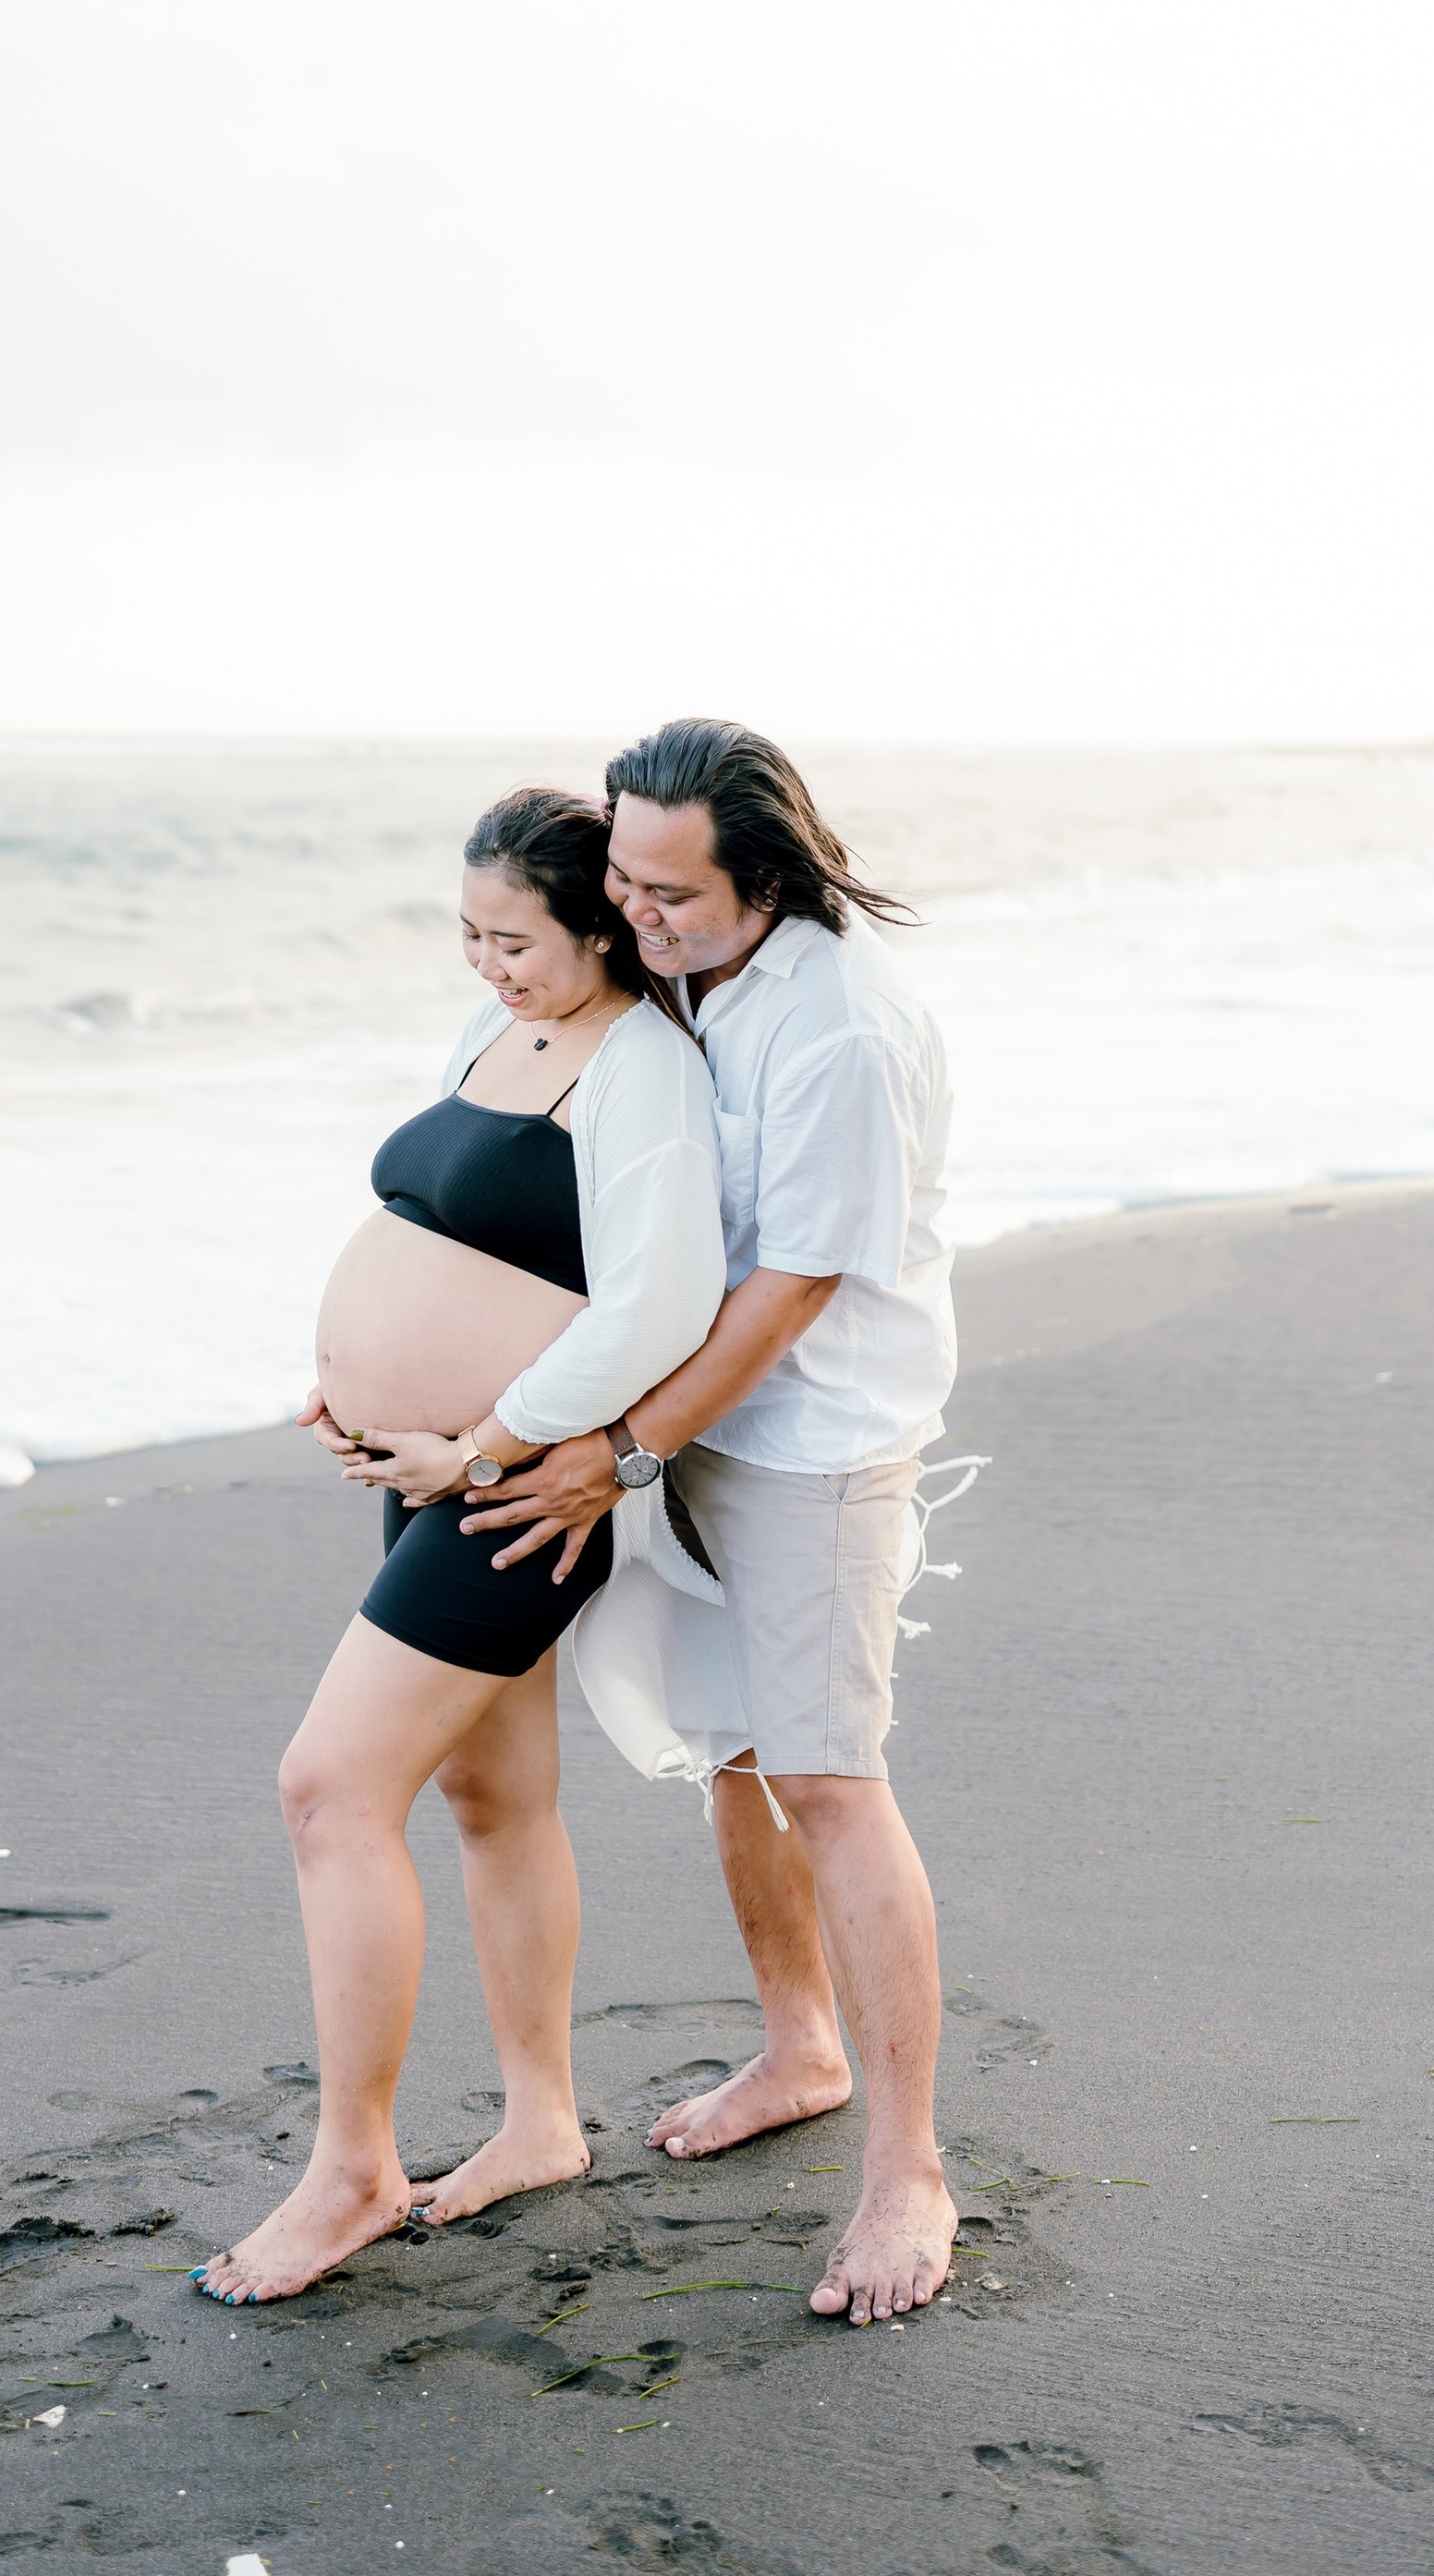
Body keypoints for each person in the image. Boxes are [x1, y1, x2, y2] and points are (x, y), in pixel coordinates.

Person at [195, 785, 725, 2307]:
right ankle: (544, 2120)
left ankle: (353, 2166)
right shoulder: (500, 1036)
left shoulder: (644, 1072)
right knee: (497, 1796)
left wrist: (477, 1439)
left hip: (516, 1491)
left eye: (517, 939)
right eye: (469, 936)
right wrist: (354, 1382)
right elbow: (445, 1230)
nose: (489, 964)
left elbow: (656, 1304)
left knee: (328, 1790)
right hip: (428, 1468)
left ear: (602, 926)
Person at [465, 719, 961, 2329]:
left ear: (765, 879)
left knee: (827, 1773)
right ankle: (800, 2045)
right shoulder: (692, 974)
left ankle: (908, 2175)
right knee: (740, 1755)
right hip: (699, 1424)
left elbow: (794, 1285)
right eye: (621, 874)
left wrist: (618, 1448)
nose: (640, 911)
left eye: (673, 891)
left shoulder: (839, 1022)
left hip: (815, 1438)